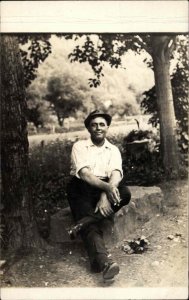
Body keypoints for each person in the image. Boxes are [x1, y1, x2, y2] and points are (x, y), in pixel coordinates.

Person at [67, 110, 131, 281]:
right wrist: (108, 189)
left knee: (125, 193)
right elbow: (86, 175)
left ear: (107, 127)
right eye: (94, 125)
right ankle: (104, 263)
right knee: (90, 218)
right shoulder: (79, 147)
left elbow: (116, 173)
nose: (98, 128)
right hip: (82, 187)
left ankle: (81, 224)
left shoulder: (113, 149)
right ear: (88, 128)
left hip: (103, 187)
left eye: (102, 124)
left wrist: (105, 194)